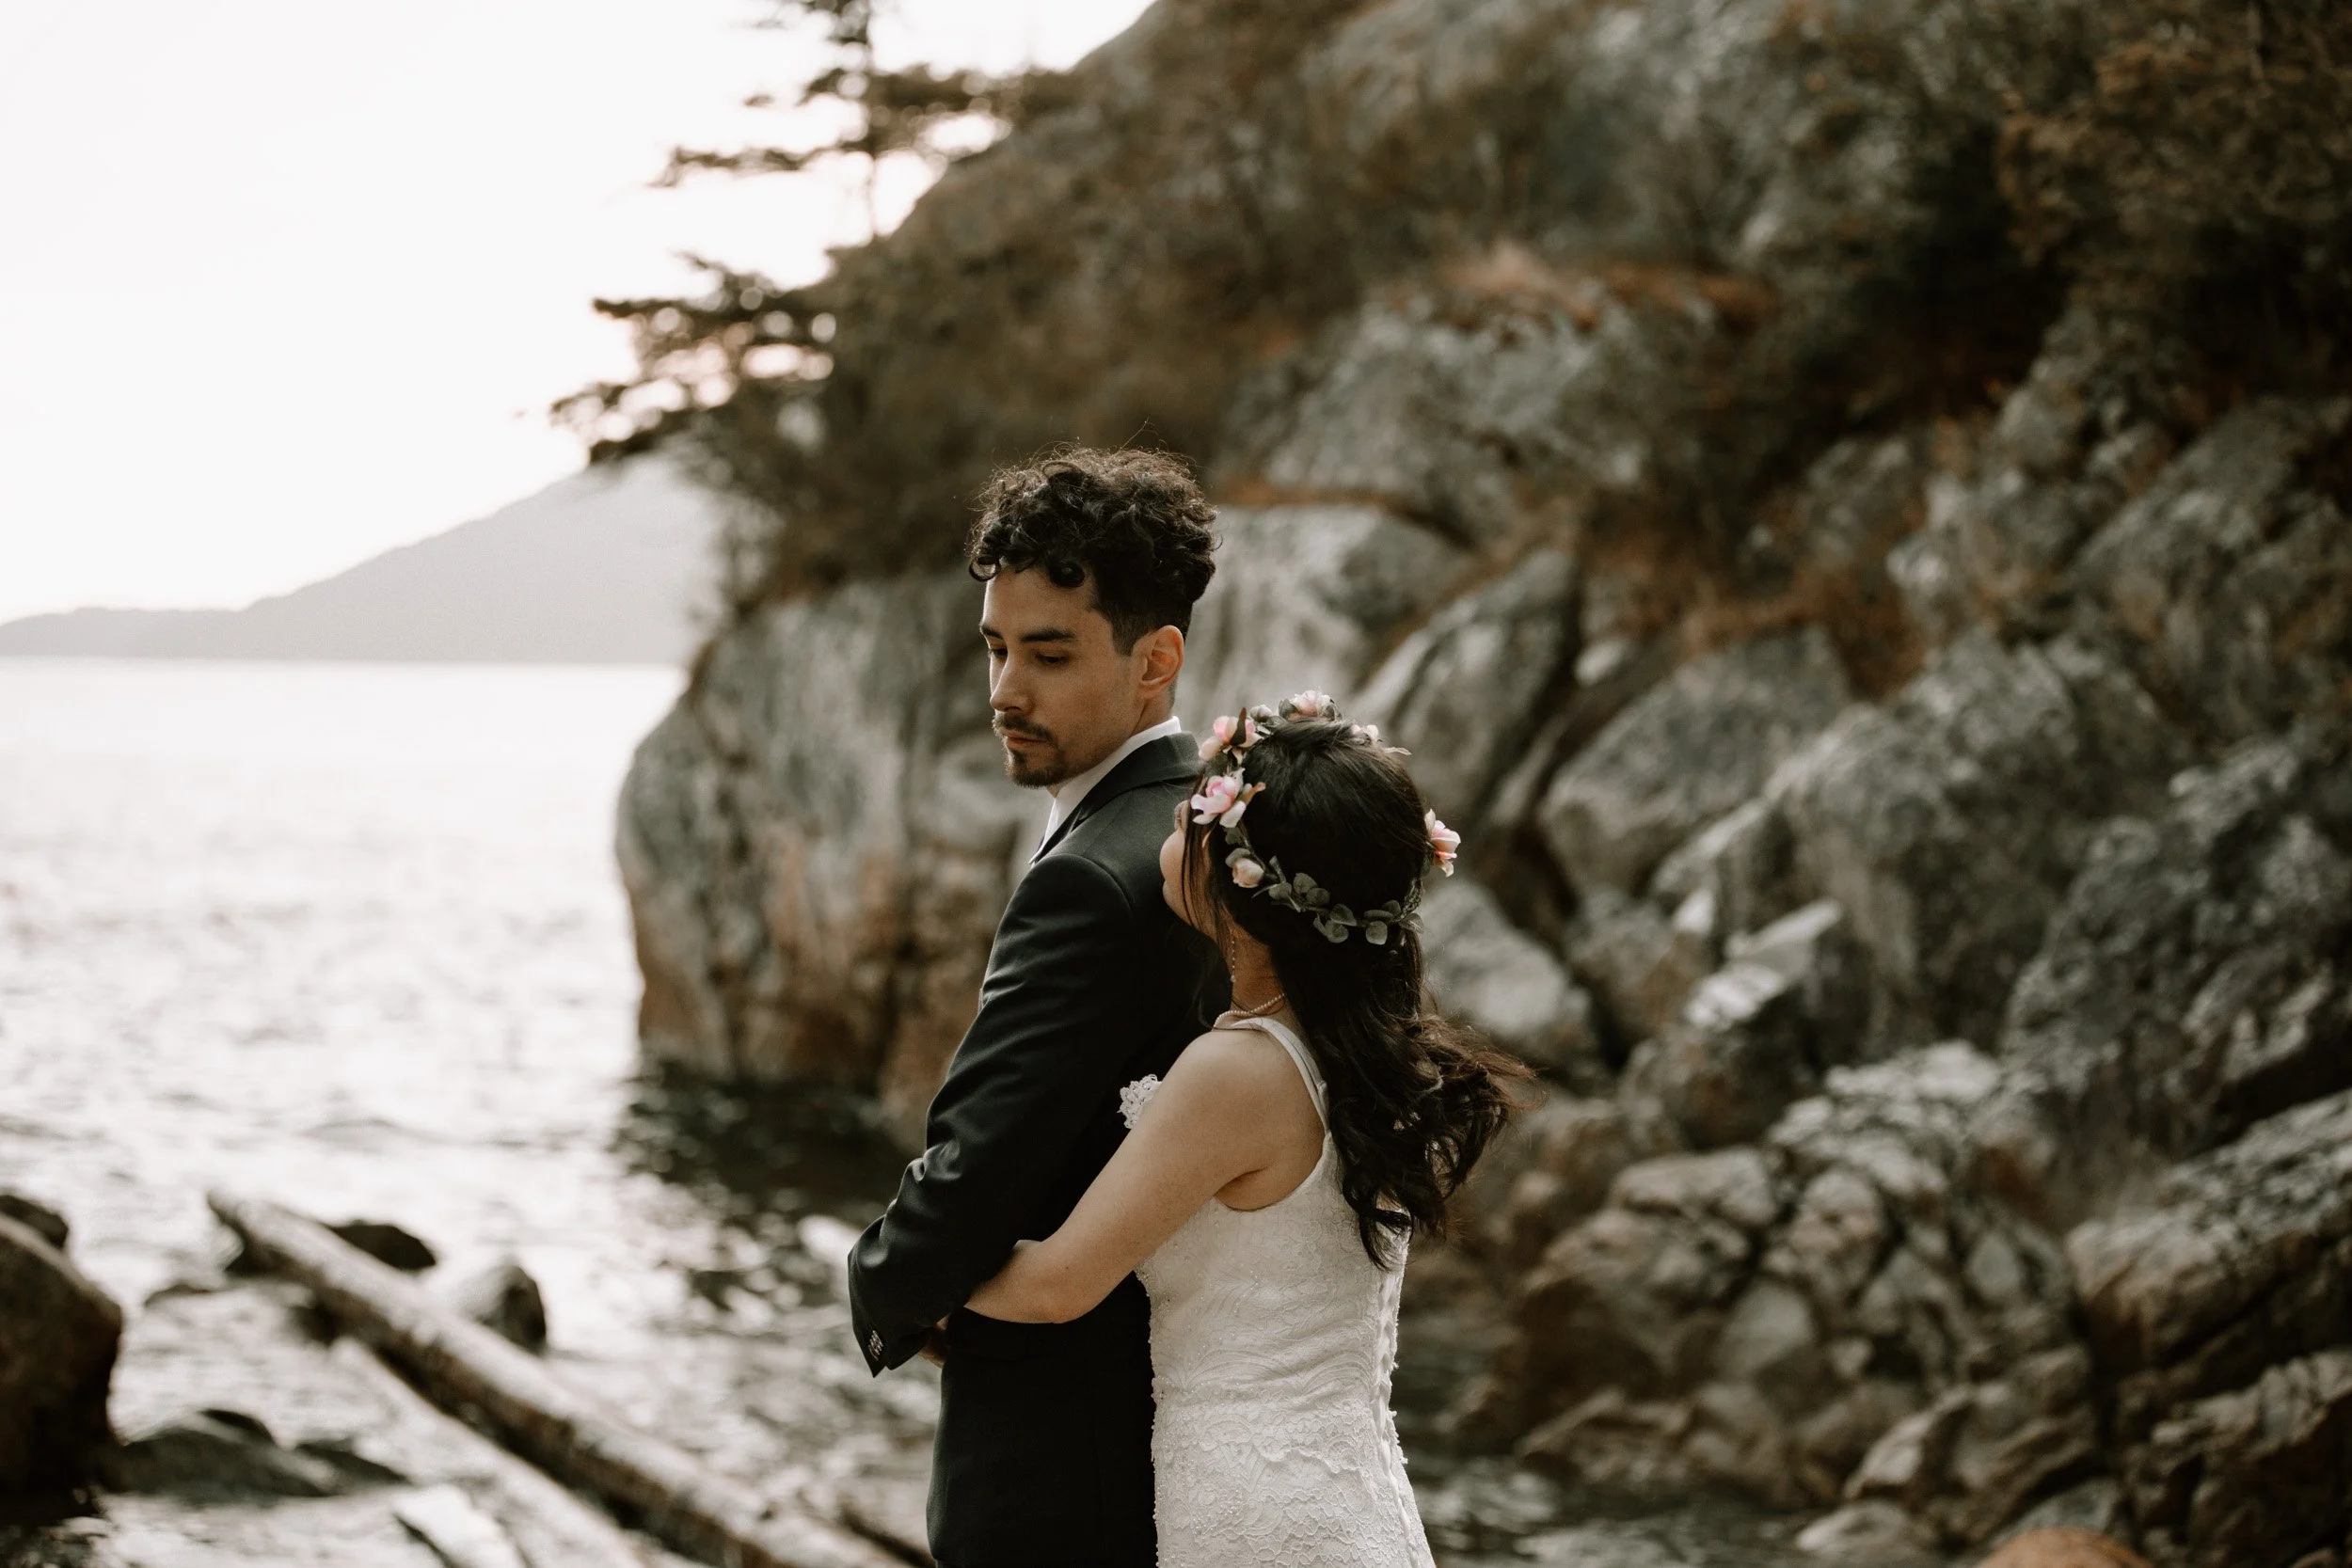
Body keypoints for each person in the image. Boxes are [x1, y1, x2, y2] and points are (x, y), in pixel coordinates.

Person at [966, 690, 1529, 1567]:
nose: (1177, 811)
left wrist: (918, 1272)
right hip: (1353, 1507)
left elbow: (1056, 1285)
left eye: (1197, 806)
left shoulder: (1237, 1072)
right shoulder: (1358, 1048)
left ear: (1238, 875)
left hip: (1256, 1517)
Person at [848, 447, 1228, 1568]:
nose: (1004, 690)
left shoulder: (1094, 874)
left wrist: (884, 1286)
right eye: (996, 647)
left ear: (1154, 660)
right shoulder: (1216, 826)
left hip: (1062, 1443)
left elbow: (980, 1156)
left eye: (1049, 653)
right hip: (1182, 1409)